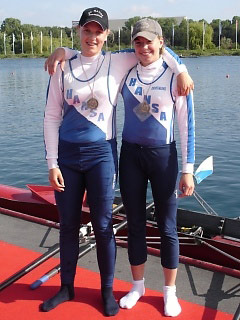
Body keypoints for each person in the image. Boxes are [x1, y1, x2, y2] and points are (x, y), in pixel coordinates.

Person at [43, 7, 194, 316]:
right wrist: (52, 162)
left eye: (99, 31)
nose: (93, 36)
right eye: (88, 30)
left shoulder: (144, 67)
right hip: (102, 158)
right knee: (93, 224)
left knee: (130, 226)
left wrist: (182, 69)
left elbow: (162, 55)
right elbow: (52, 113)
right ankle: (89, 287)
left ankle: (140, 291)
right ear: (80, 32)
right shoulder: (92, 65)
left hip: (131, 156)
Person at [118, 18, 195, 317]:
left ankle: (169, 293)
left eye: (149, 41)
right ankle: (137, 286)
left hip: (163, 157)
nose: (144, 47)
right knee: (135, 223)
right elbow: (96, 54)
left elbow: (186, 125)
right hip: (130, 157)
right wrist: (63, 51)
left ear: (162, 42)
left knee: (167, 227)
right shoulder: (124, 67)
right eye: (138, 41)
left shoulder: (176, 76)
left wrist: (187, 169)